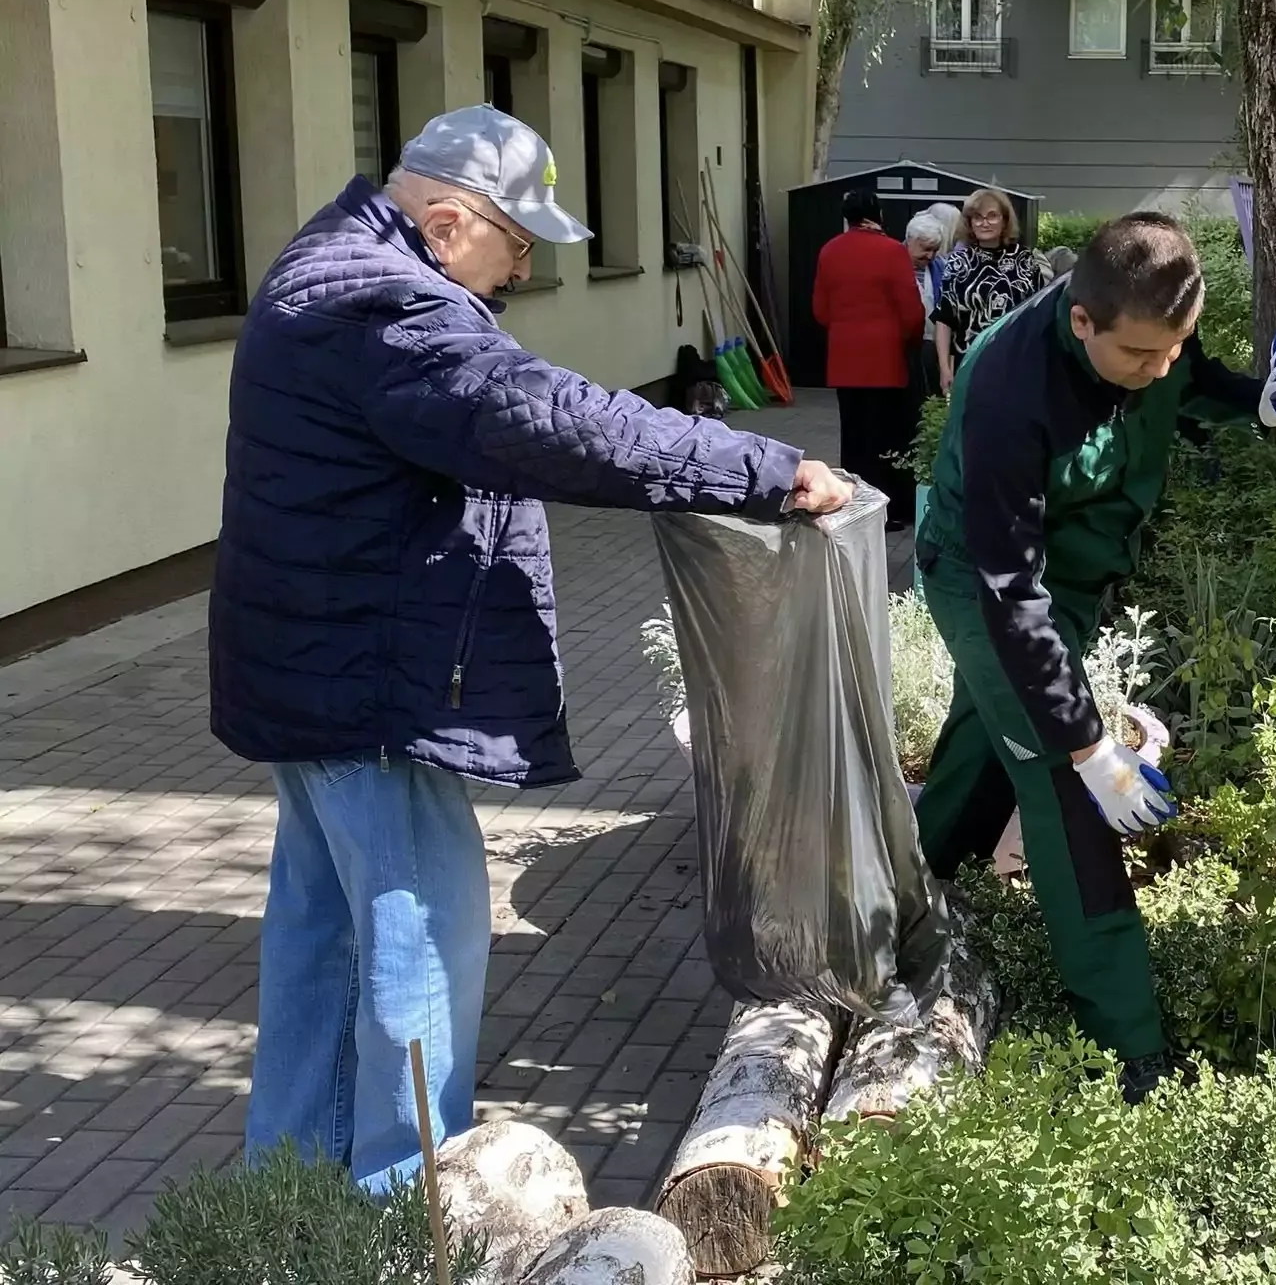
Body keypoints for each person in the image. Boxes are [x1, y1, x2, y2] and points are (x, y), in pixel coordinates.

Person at [212, 105, 852, 1191]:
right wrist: (763, 469)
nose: (516, 273)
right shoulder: (384, 306)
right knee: (418, 953)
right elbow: (547, 419)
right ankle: (400, 1216)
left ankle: (289, 1207)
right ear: (454, 219)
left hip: (319, 676)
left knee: (322, 948)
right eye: (517, 245)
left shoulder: (330, 268)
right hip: (372, 694)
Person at [911, 212, 1276, 1102]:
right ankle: (1130, 1051)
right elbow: (1013, 595)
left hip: (1073, 584)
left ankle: (917, 897)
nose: (1157, 370)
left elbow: (1189, 377)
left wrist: (1254, 404)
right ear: (1082, 322)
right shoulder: (1009, 387)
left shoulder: (1148, 325)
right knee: (1062, 782)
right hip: (986, 585)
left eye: (1172, 349)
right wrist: (1092, 750)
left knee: (992, 733)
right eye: (1138, 358)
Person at [812, 188, 926, 527]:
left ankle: (854, 505)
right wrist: (912, 342)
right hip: (886, 358)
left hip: (845, 359)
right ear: (877, 213)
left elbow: (820, 310)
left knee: (855, 435)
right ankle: (891, 510)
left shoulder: (829, 250)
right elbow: (911, 310)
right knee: (888, 435)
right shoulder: (892, 251)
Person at [931, 187, 1050, 396]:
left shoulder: (1024, 260)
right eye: (977, 217)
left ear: (1005, 220)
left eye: (992, 216)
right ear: (969, 223)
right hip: (969, 361)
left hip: (1015, 363)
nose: (984, 222)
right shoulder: (958, 262)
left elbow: (1038, 316)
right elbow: (944, 318)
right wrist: (944, 367)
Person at [903, 207, 954, 401]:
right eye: (925, 249)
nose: (931, 256)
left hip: (933, 346)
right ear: (910, 241)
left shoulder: (942, 267)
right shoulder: (894, 264)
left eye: (935, 249)